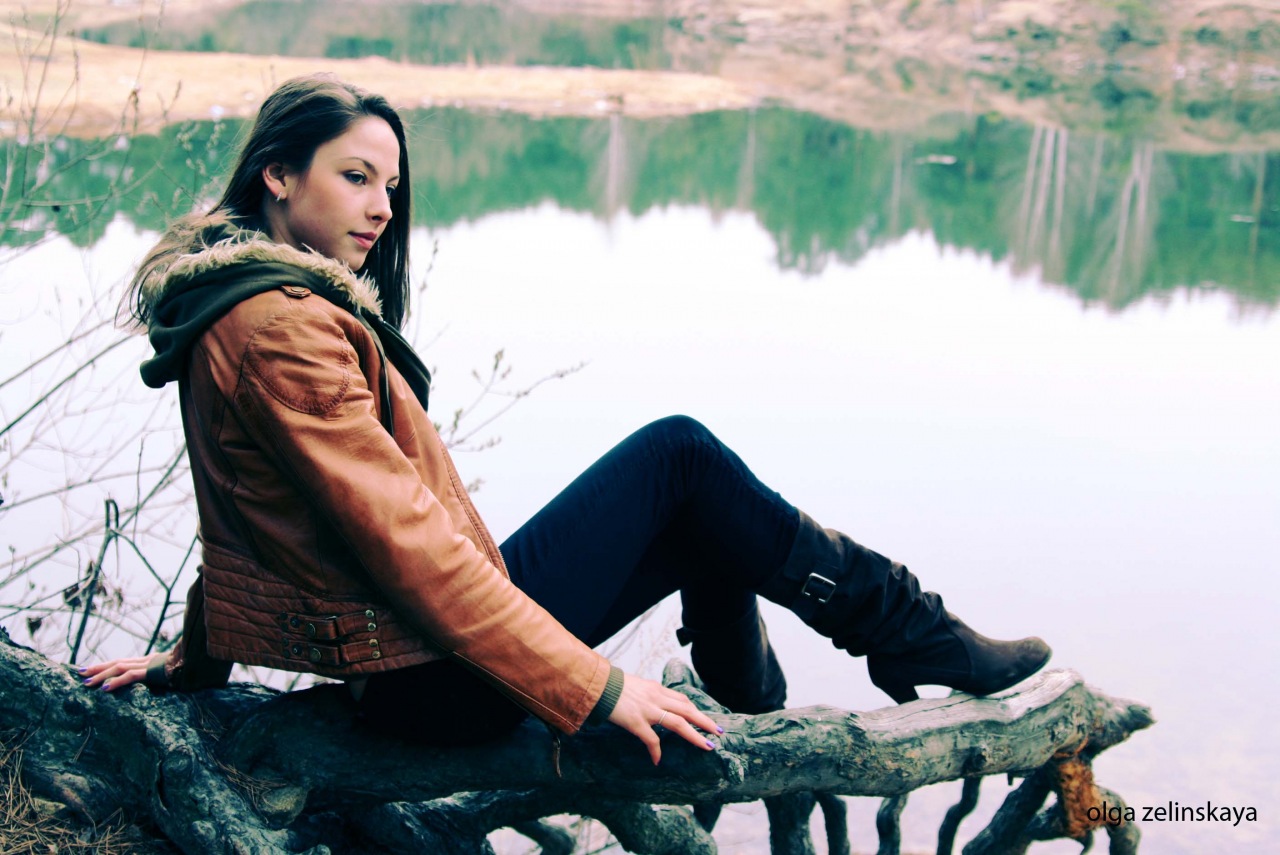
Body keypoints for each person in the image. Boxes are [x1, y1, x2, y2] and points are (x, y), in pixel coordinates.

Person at [82, 74, 1050, 764]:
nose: (381, 207)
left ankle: (767, 696)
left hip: (414, 657)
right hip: (433, 682)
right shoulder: (279, 329)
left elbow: (254, 516)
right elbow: (408, 546)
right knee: (679, 459)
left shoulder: (242, 306)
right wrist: (598, 689)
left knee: (696, 501)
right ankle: (896, 635)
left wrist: (186, 662)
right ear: (278, 176)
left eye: (390, 184)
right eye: (355, 176)